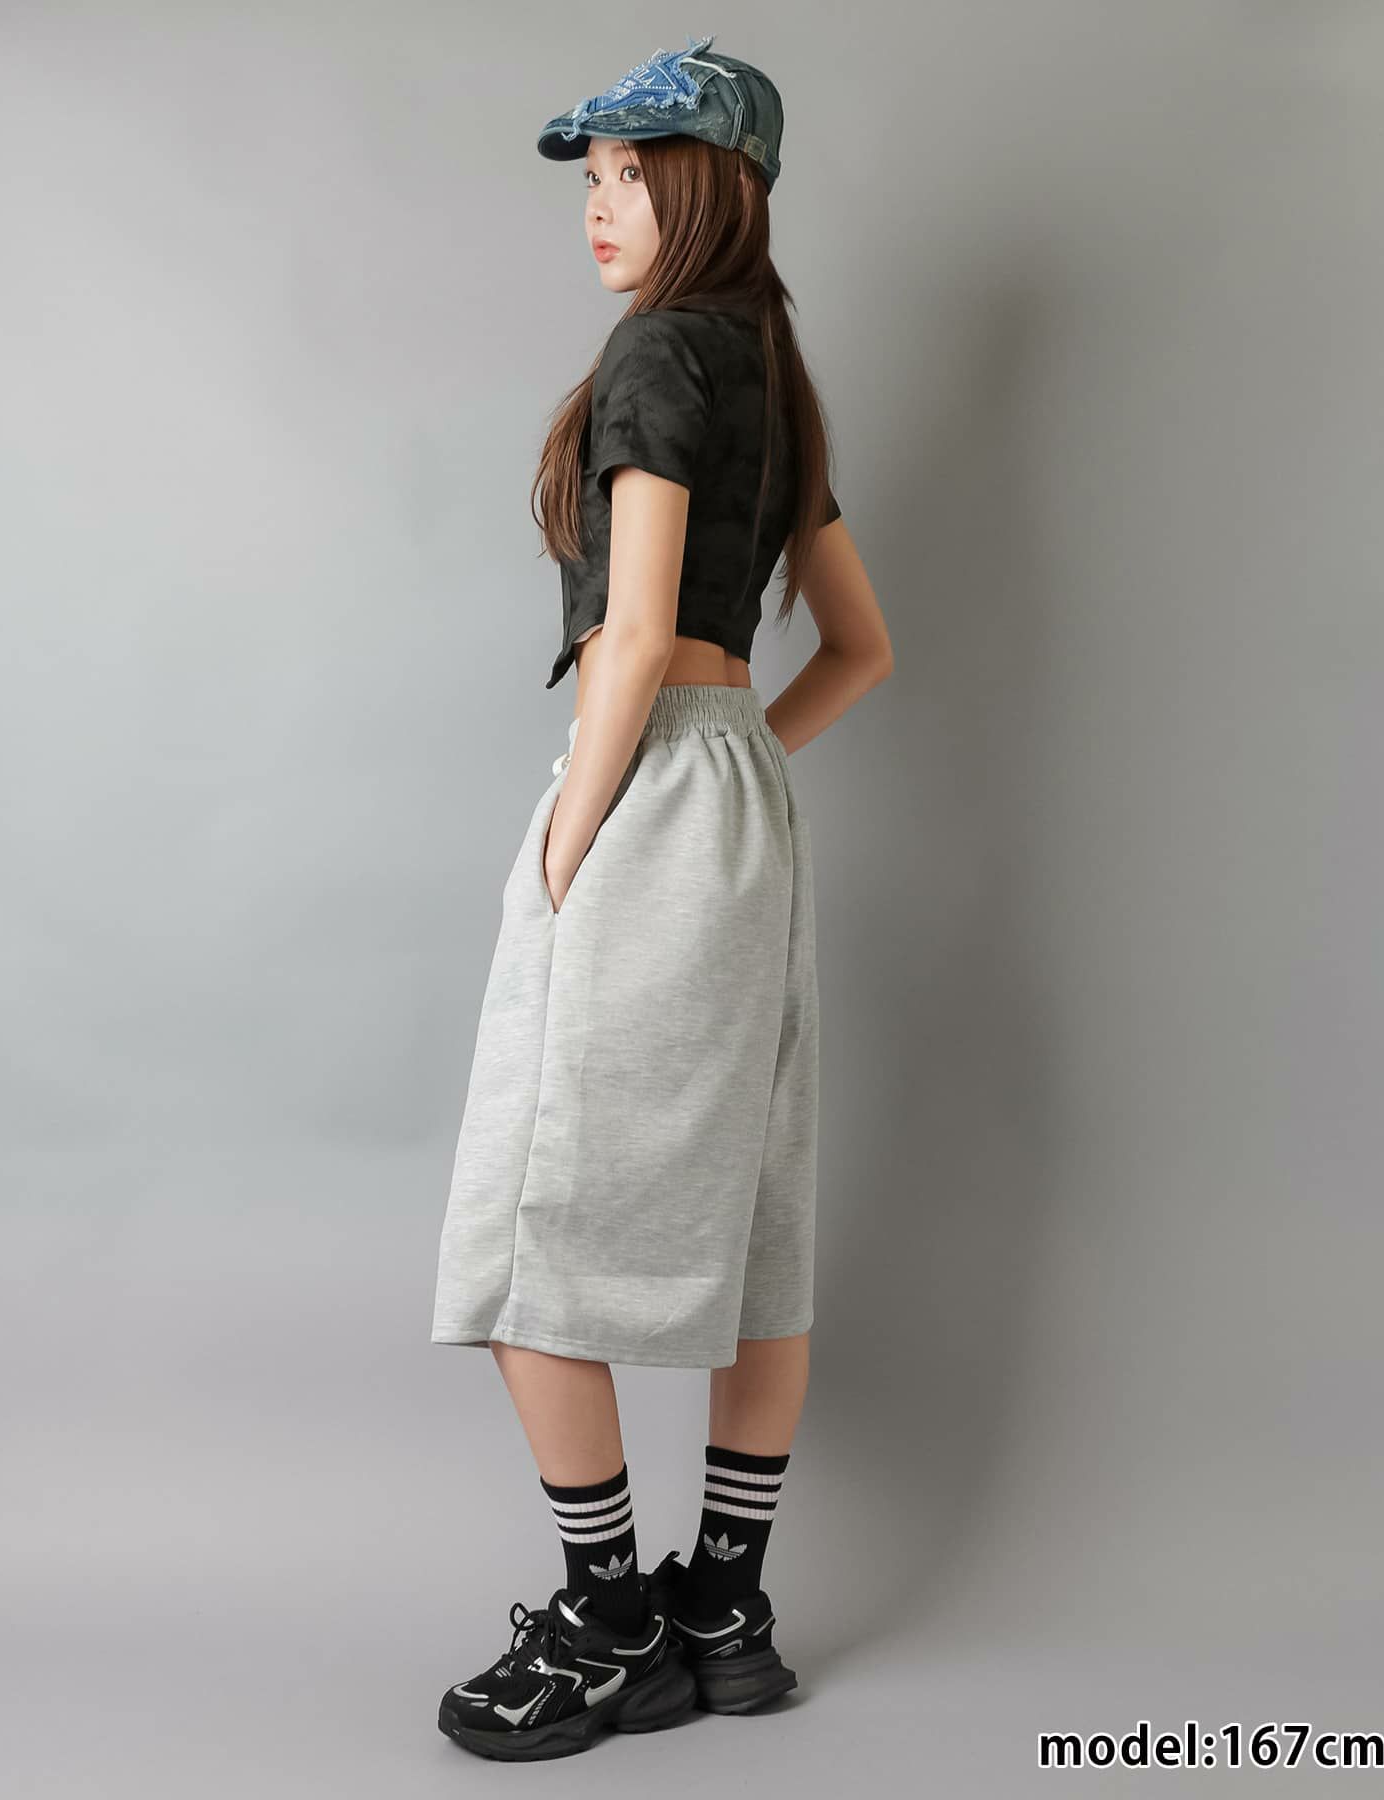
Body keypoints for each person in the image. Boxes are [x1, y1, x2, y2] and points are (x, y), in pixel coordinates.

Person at [429, 35, 894, 1761]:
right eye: (597, 179)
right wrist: (740, 756)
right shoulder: (777, 371)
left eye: (635, 175)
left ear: (716, 188)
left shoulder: (654, 354)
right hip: (746, 812)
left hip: (640, 793)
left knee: (521, 1230)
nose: (601, 207)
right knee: (755, 1218)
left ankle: (610, 1621)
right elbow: (864, 648)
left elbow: (629, 636)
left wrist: (573, 842)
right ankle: (726, 1612)